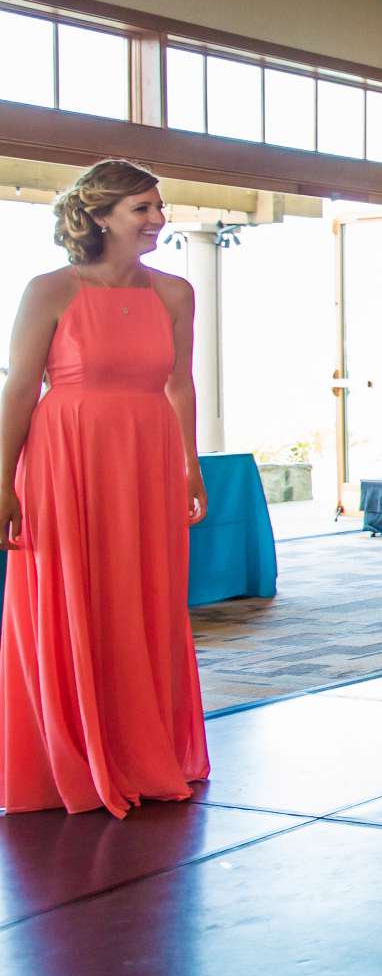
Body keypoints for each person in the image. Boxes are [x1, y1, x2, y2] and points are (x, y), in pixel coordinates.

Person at [1, 159, 208, 816]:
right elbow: (19, 387)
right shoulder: (49, 290)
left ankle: (139, 747)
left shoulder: (175, 294)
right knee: (73, 597)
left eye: (158, 205)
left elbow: (180, 383)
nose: (157, 218)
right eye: (142, 208)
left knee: (143, 597)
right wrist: (2, 477)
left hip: (146, 460)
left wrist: (191, 464)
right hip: (66, 459)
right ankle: (71, 753)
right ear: (100, 217)